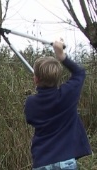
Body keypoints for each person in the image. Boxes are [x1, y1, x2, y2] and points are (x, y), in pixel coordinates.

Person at [24, 40, 92, 170]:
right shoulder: (67, 95)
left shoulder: (31, 102)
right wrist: (61, 56)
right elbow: (80, 73)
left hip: (41, 163)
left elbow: (30, 119)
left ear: (36, 79)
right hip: (66, 162)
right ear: (57, 77)